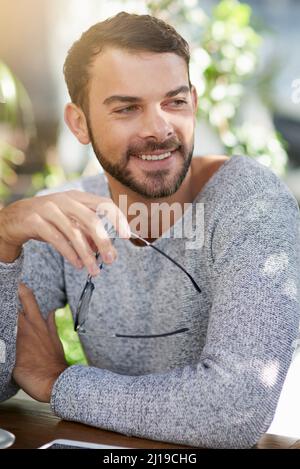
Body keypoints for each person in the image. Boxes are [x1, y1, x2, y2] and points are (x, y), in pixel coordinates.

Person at [0, 12, 299, 449]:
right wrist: (3, 244)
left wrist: (58, 382)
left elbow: (234, 410)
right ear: (78, 123)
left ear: (194, 103)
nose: (159, 130)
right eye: (127, 108)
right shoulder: (67, 214)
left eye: (174, 102)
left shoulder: (250, 203)